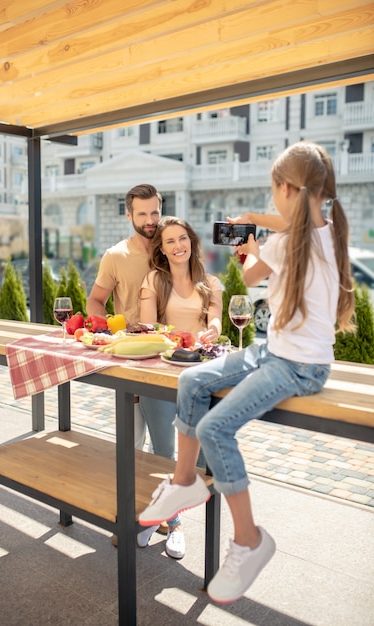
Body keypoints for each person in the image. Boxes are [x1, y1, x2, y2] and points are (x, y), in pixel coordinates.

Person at [138, 142, 355, 602]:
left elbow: (272, 252)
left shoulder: (307, 239)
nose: (273, 200)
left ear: (288, 188)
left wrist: (255, 236)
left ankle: (250, 541)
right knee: (192, 378)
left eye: (274, 191)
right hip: (270, 350)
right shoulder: (308, 232)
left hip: (301, 367)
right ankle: (184, 482)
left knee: (216, 428)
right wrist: (250, 231)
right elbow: (255, 275)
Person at [138, 216, 223, 558]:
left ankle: (158, 515)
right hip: (158, 375)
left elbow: (215, 318)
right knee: (162, 455)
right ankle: (172, 524)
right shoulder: (153, 280)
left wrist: (214, 328)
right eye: (170, 240)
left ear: (192, 242)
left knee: (198, 462)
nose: (178, 246)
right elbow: (146, 326)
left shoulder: (210, 283)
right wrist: (168, 334)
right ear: (161, 247)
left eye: (183, 238)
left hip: (198, 381)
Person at [86, 183, 162, 547]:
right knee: (132, 446)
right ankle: (132, 517)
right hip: (130, 360)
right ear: (129, 215)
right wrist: (105, 331)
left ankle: (168, 520)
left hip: (171, 361)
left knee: (166, 449)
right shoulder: (115, 256)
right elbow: (96, 301)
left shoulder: (172, 245)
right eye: (142, 214)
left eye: (154, 212)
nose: (150, 221)